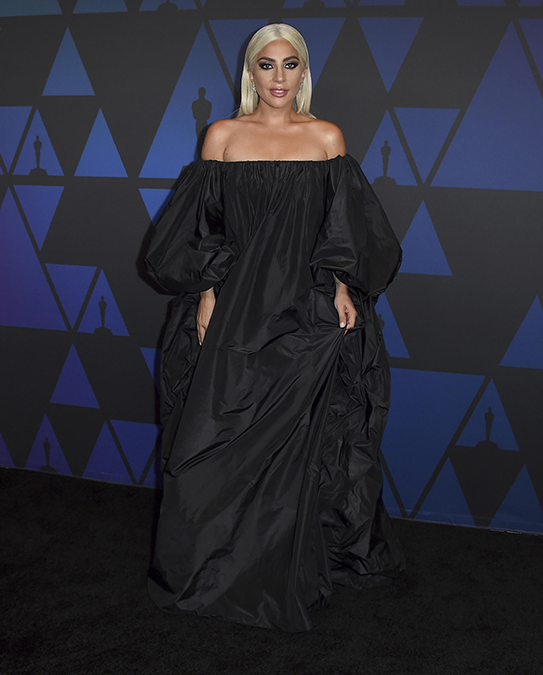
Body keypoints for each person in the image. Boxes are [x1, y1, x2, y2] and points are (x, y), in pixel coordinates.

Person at [141, 23, 405, 632]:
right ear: (250, 72)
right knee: (208, 444)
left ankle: (284, 567)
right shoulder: (222, 136)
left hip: (303, 315)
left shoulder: (326, 137)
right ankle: (211, 569)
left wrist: (342, 288)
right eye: (267, 64)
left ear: (304, 72)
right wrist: (205, 295)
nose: (279, 77)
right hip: (235, 311)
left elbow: (344, 226)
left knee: (301, 448)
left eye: (290, 64)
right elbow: (201, 227)